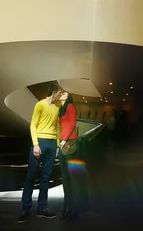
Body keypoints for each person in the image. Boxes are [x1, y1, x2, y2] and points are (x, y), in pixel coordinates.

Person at [18, 83, 65, 223]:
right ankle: (25, 209)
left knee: (46, 178)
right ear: (54, 92)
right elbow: (33, 124)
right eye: (60, 93)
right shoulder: (40, 105)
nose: (61, 95)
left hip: (51, 145)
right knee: (31, 176)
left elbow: (57, 126)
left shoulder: (58, 107)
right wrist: (36, 144)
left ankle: (42, 209)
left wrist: (57, 146)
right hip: (40, 142)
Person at [58, 93, 78, 221]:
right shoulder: (61, 110)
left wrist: (64, 140)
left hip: (69, 144)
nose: (62, 93)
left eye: (64, 93)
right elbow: (60, 128)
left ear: (68, 97)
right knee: (65, 179)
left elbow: (72, 124)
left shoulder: (70, 106)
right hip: (62, 145)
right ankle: (66, 208)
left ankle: (73, 209)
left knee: (71, 178)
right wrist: (58, 145)